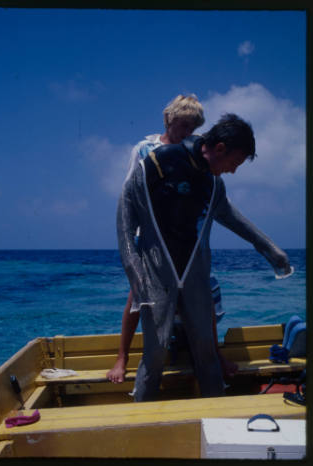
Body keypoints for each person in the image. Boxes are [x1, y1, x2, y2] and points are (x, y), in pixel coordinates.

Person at [117, 113, 292, 402]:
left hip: (196, 275)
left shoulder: (213, 185)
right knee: (156, 351)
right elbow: (124, 219)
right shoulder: (156, 164)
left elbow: (234, 218)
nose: (232, 172)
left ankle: (216, 413)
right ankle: (139, 416)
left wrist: (270, 250)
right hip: (157, 273)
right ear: (220, 149)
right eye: (233, 164)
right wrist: (135, 272)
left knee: (207, 350)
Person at [107, 95, 234, 383]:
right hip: (152, 239)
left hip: (188, 239)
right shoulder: (144, 149)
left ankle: (215, 353)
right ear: (169, 120)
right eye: (184, 125)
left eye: (194, 127)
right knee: (138, 296)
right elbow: (130, 192)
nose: (188, 133)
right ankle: (122, 356)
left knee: (207, 295)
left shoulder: (195, 151)